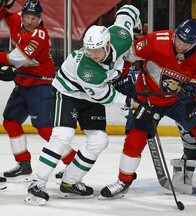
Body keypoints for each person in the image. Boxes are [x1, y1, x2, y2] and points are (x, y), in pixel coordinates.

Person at [24, 4, 146, 206]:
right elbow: (104, 96)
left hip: (90, 96)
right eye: (89, 50)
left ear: (108, 44)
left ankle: (70, 183)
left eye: (97, 50)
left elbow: (128, 11)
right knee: (63, 136)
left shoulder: (121, 36)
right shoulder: (88, 70)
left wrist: (137, 28)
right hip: (68, 92)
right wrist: (129, 102)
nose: (93, 54)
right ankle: (38, 184)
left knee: (99, 141)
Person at [100, 19, 196, 199]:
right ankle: (123, 181)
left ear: (194, 42)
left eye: (185, 43)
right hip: (147, 98)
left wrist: (192, 91)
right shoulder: (157, 40)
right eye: (178, 39)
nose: (180, 45)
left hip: (178, 101)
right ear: (175, 33)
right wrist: (122, 77)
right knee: (134, 139)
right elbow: (127, 55)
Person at [0, 0, 77, 181]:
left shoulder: (38, 36)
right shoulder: (16, 19)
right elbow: (3, 17)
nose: (29, 21)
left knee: (44, 129)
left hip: (41, 84)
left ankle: (73, 164)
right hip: (23, 83)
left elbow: (15, 59)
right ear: (22, 15)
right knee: (10, 121)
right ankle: (23, 163)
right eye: (27, 16)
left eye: (34, 18)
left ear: (40, 18)